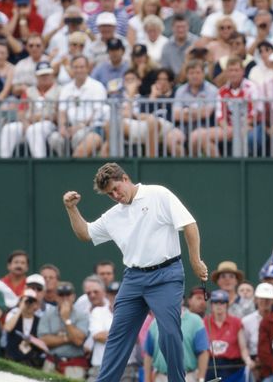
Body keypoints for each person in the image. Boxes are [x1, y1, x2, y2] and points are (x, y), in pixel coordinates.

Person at [62, 162, 208, 382]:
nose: (115, 195)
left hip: (166, 275)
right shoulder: (113, 215)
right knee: (117, 337)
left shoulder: (158, 194)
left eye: (116, 188)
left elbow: (189, 225)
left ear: (125, 178)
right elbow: (85, 233)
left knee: (169, 333)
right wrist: (71, 208)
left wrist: (195, 260)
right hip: (133, 278)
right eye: (109, 193)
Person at [144, 301, 209, 382]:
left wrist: (201, 379)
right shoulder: (155, 322)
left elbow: (203, 353)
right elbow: (148, 354)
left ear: (182, 299)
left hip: (187, 377)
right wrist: (147, 379)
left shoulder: (195, 321)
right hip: (161, 377)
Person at [39, 282, 90, 378]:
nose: (64, 298)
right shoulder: (48, 314)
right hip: (52, 362)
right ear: (56, 297)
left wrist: (66, 319)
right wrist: (68, 338)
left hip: (74, 363)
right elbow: (44, 340)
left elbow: (78, 341)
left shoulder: (82, 315)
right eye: (61, 294)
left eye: (68, 294)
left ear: (73, 296)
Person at [203, 289, 254, 380]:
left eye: (222, 303)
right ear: (211, 305)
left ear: (227, 304)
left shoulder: (236, 322)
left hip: (231, 366)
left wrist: (248, 360)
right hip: (210, 366)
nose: (219, 306)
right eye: (216, 303)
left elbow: (243, 348)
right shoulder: (205, 322)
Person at [3, 288, 45, 367]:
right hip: (12, 359)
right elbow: (7, 328)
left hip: (32, 362)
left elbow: (44, 343)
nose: (29, 304)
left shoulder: (40, 321)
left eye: (32, 301)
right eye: (26, 301)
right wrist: (20, 309)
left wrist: (33, 340)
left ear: (36, 304)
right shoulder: (14, 316)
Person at [242, 282, 273, 369]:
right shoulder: (246, 321)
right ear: (256, 299)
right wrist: (249, 362)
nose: (265, 301)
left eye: (268, 298)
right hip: (253, 363)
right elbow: (244, 346)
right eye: (261, 298)